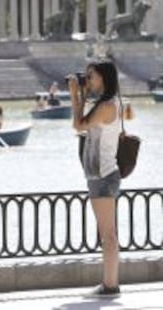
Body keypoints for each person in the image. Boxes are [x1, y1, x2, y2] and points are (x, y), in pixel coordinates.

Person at [68, 60, 121, 297]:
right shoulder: (106, 103)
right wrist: (83, 94)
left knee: (108, 235)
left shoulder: (107, 106)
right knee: (108, 234)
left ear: (104, 78)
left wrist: (75, 95)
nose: (88, 81)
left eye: (91, 77)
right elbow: (83, 127)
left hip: (102, 176)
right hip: (101, 175)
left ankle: (110, 286)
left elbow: (77, 124)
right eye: (86, 77)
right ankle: (110, 284)